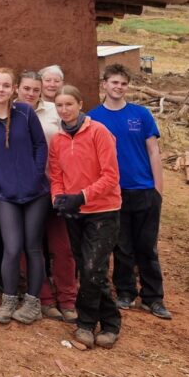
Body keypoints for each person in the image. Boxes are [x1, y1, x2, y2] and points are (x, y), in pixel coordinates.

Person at [89, 64, 171, 320]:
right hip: (113, 192)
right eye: (114, 82)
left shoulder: (141, 115)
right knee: (121, 245)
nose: (118, 87)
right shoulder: (94, 118)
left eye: (123, 84)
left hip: (144, 189)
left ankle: (153, 297)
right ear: (104, 84)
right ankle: (125, 291)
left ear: (128, 87)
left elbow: (153, 151)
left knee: (147, 246)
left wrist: (158, 189)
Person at [48, 85, 122, 349]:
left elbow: (111, 176)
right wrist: (59, 198)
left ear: (80, 104)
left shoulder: (98, 132)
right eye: (59, 105)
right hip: (75, 213)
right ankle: (111, 321)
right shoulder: (57, 139)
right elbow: (56, 175)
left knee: (92, 269)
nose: (64, 110)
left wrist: (82, 195)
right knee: (91, 270)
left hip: (103, 211)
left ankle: (87, 323)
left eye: (69, 104)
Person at [0, 69, 50, 322]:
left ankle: (32, 303)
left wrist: (37, 174)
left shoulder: (25, 113)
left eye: (6, 85)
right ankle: (8, 299)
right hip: (6, 194)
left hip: (35, 192)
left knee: (32, 247)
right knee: (12, 247)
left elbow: (40, 144)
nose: (0, 89)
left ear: (13, 89)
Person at [17, 70, 78, 323]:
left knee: (61, 246)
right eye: (26, 89)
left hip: (55, 187)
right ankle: (43, 297)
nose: (30, 93)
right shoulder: (8, 112)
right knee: (30, 246)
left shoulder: (55, 111)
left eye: (35, 89)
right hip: (23, 190)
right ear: (17, 89)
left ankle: (68, 298)